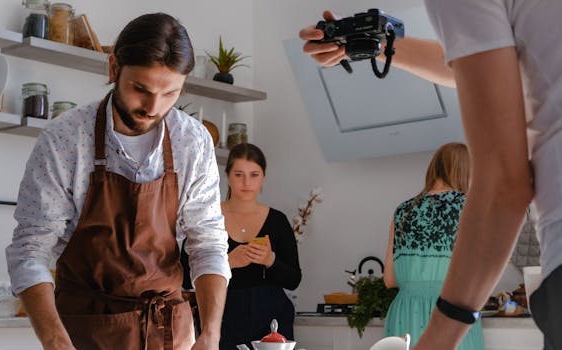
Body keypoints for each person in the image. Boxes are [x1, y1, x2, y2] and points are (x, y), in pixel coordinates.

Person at [300, 2, 562, 348]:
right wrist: (374, 43)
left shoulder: (405, 209)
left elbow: (504, 187)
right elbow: (480, 64)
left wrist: (438, 338)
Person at [6, 13, 230, 350]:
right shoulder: (64, 139)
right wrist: (54, 340)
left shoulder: (193, 141)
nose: (154, 108)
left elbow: (208, 243)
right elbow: (29, 251)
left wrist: (211, 334)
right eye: (141, 89)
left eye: (170, 93)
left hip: (169, 331)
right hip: (84, 331)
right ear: (114, 69)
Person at [182, 143, 301, 349]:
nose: (247, 182)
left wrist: (270, 260)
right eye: (239, 174)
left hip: (272, 318)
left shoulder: (277, 221)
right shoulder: (209, 218)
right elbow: (184, 275)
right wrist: (227, 263)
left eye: (254, 175)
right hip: (221, 315)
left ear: (263, 177)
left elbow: (293, 279)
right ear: (227, 176)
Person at [383, 142, 484, 349]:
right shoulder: (470, 207)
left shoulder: (403, 211)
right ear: (466, 171)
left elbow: (389, 280)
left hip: (405, 314)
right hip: (451, 314)